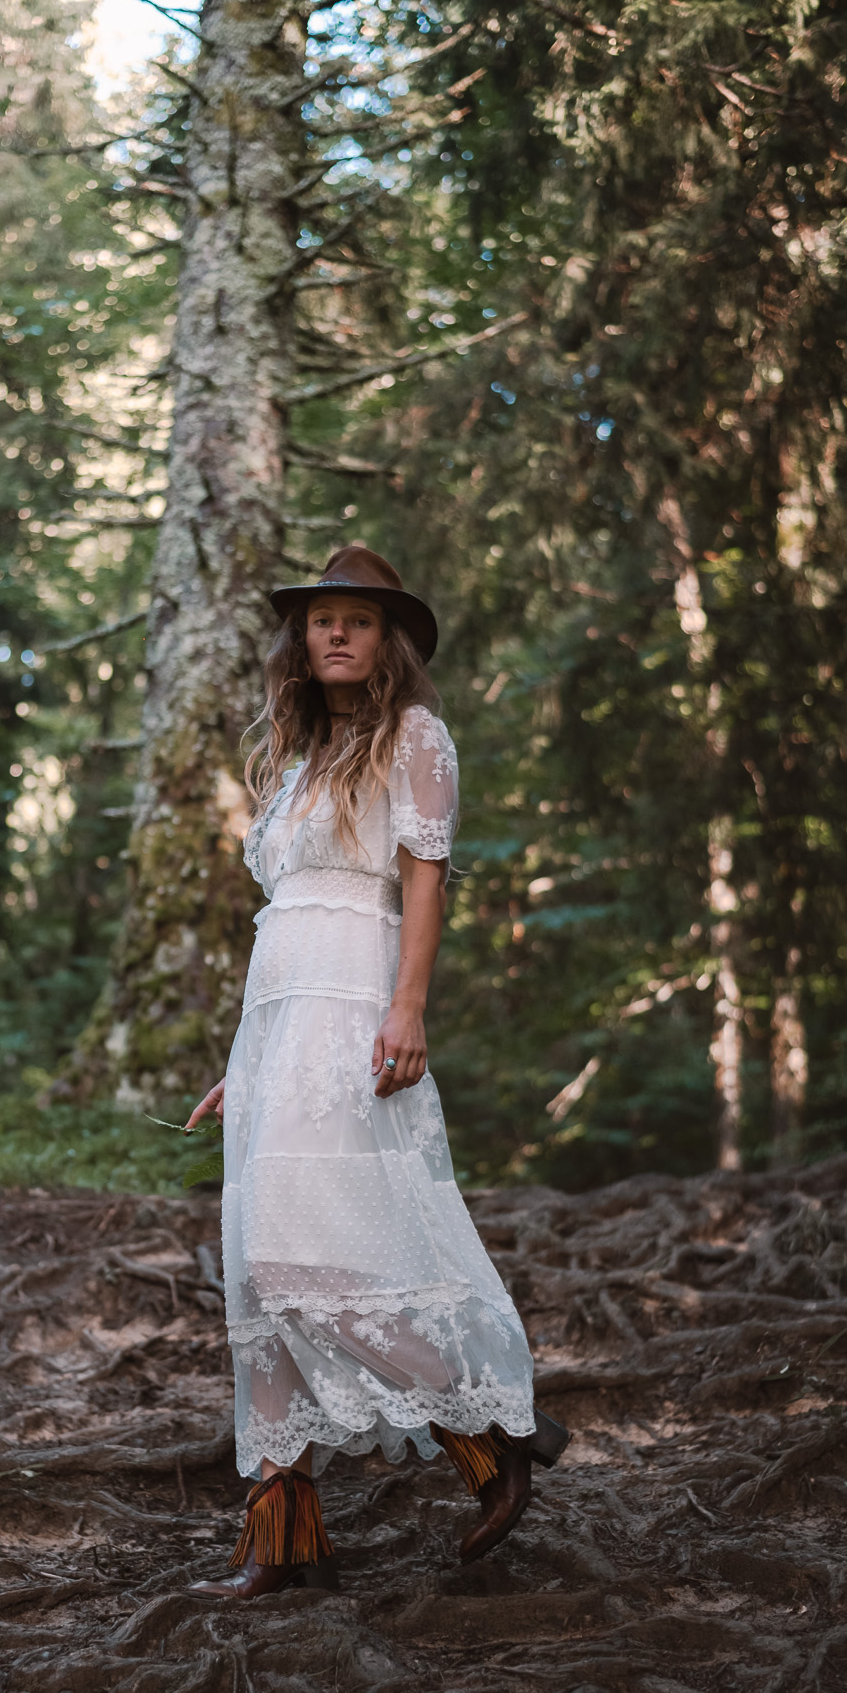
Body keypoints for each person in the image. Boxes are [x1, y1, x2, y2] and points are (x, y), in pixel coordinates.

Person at [184, 545, 568, 1601]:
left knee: (301, 1255)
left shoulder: (414, 736)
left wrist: (408, 1007)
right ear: (299, 643)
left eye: (356, 618)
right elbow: (280, 925)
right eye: (319, 621)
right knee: (256, 1277)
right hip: (277, 1029)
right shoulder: (303, 760)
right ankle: (281, 1538)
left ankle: (486, 1425)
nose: (335, 633)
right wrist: (242, 1062)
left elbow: (424, 884)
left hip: (354, 1010)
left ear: (387, 636)